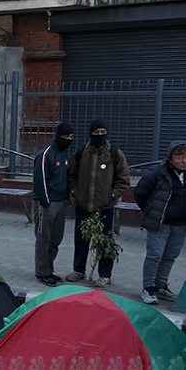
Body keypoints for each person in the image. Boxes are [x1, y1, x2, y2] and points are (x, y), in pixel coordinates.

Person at [66, 119, 129, 287]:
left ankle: (105, 275)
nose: (100, 135)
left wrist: (113, 195)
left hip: (104, 207)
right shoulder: (80, 153)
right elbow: (71, 176)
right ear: (90, 133)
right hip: (83, 205)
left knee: (104, 241)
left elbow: (123, 180)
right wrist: (74, 192)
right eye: (96, 132)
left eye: (103, 132)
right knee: (81, 240)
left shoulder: (115, 154)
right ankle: (78, 270)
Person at [134, 140, 186, 304]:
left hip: (181, 225)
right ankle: (148, 288)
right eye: (179, 156)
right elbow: (140, 193)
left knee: (170, 256)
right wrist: (151, 212)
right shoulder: (157, 173)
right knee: (155, 255)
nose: (184, 160)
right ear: (170, 158)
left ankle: (161, 286)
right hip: (160, 224)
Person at [32, 122, 74, 285]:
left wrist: (67, 196)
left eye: (71, 137)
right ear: (58, 136)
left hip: (61, 202)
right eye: (66, 137)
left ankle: (49, 269)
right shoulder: (45, 155)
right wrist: (45, 202)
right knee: (44, 238)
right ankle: (42, 272)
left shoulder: (64, 154)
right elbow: (39, 181)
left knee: (56, 238)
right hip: (46, 204)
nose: (69, 140)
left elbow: (65, 177)